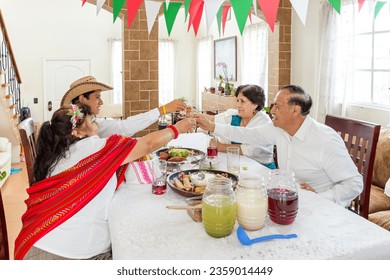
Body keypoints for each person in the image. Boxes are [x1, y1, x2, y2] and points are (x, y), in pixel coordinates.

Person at [14, 103, 196, 260]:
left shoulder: (56, 157)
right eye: (92, 121)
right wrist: (177, 128)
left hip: (34, 243)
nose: (97, 122)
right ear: (76, 132)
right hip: (70, 255)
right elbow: (146, 145)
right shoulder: (95, 146)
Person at [195, 85, 363, 207]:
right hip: (289, 200)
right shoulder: (279, 129)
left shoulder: (325, 140)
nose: (271, 110)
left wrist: (321, 198)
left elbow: (354, 183)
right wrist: (212, 126)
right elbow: (247, 134)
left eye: (277, 106)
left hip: (322, 208)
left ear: (295, 111)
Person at [60, 75, 187, 138]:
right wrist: (163, 110)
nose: (101, 102)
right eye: (97, 96)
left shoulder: (92, 123)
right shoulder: (79, 129)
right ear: (82, 98)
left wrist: (162, 110)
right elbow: (125, 127)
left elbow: (124, 126)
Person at [203, 84, 275, 168]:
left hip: (261, 167)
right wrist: (194, 115)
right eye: (237, 100)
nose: (238, 105)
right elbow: (213, 119)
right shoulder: (234, 115)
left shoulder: (264, 122)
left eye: (242, 101)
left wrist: (221, 147)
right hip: (238, 165)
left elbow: (252, 150)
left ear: (255, 104)